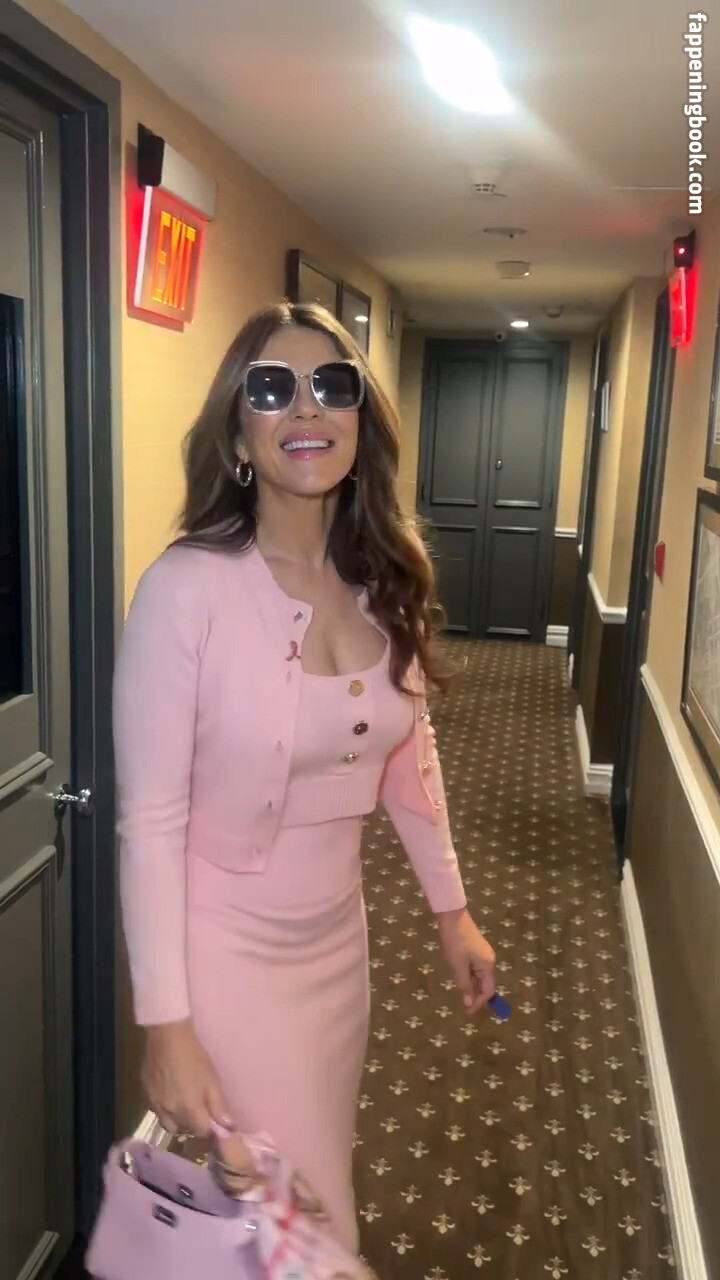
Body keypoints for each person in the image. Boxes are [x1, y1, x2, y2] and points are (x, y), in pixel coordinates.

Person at [113, 300, 496, 1255]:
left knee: (303, 1203)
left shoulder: (381, 582)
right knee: (300, 1228)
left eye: (332, 385)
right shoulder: (185, 590)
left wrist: (452, 913)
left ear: (361, 418)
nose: (305, 408)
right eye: (271, 389)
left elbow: (410, 761)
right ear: (239, 431)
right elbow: (149, 824)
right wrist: (166, 1024)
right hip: (224, 956)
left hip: (338, 949)